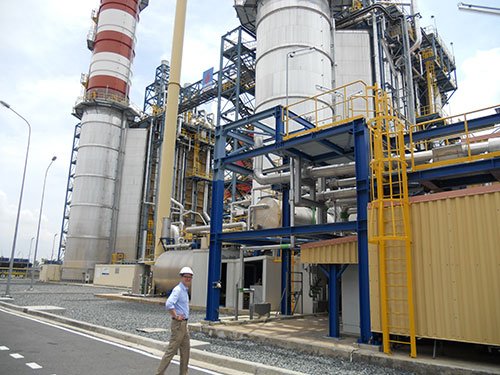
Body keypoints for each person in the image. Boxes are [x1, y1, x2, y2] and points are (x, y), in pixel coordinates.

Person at [155, 266, 193, 375]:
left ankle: (184, 373)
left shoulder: (184, 290)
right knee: (171, 351)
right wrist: (176, 316)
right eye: (186, 277)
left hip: (184, 325)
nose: (188, 279)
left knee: (186, 350)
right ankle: (159, 373)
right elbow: (169, 304)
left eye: (190, 277)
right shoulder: (178, 290)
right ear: (181, 277)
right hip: (178, 324)